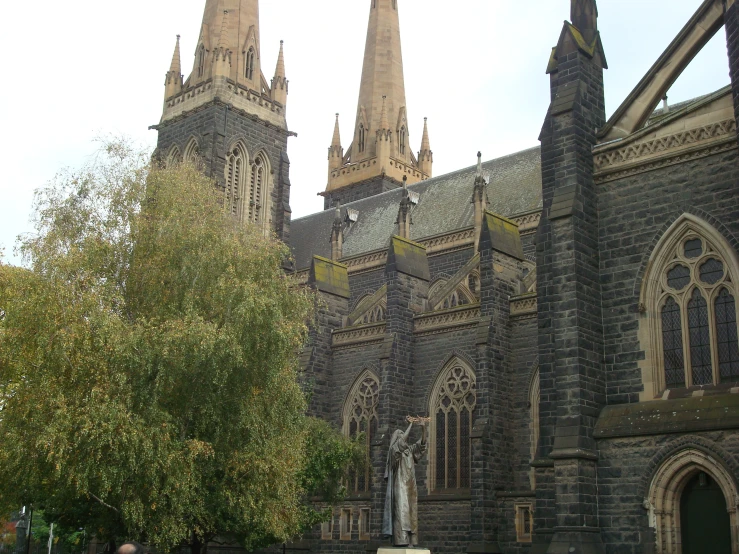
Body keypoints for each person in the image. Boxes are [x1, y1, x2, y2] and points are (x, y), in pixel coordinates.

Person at [382, 420, 427, 547]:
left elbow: (422, 445)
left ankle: (412, 540)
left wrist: (424, 428)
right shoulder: (394, 452)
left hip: (411, 486)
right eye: (400, 434)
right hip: (399, 485)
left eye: (404, 433)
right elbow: (400, 443)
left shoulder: (410, 451)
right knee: (401, 512)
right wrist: (411, 424)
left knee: (412, 513)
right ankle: (401, 540)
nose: (403, 435)